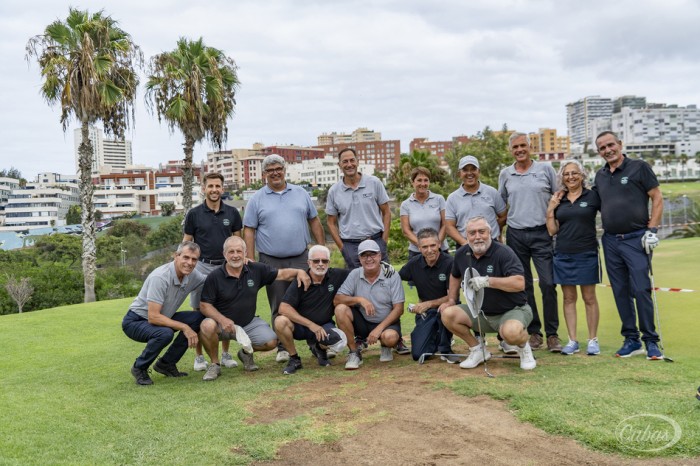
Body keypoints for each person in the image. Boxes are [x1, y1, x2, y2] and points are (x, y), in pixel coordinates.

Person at [243, 154, 325, 364]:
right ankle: (282, 346)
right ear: (264, 174)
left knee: (306, 301)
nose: (275, 173)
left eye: (278, 168)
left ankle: (314, 342)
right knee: (279, 304)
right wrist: (251, 259)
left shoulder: (300, 193)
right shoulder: (257, 198)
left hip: (300, 257)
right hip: (271, 260)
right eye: (270, 170)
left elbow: (314, 220)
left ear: (285, 169)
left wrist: (320, 248)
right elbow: (249, 230)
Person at [197, 236, 310, 381]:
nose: (235, 255)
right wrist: (222, 319)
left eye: (239, 251)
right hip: (223, 325)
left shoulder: (255, 269)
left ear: (245, 253)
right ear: (224, 254)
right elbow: (204, 305)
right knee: (206, 325)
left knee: (271, 342)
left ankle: (245, 353)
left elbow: (281, 274)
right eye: (231, 252)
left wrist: (299, 272)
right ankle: (215, 364)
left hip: (248, 322)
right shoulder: (214, 276)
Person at [593, 131, 664, 359]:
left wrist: (652, 230)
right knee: (621, 292)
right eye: (602, 148)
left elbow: (657, 197)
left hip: (636, 238)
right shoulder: (600, 176)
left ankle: (651, 340)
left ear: (620, 144)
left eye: (610, 145)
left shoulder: (639, 167)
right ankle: (631, 339)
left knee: (641, 289)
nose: (608, 150)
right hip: (611, 241)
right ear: (599, 152)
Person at [439, 216, 537, 371]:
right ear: (466, 236)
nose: (477, 237)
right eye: (472, 233)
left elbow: (519, 283)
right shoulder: (461, 253)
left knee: (511, 333)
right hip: (480, 313)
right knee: (448, 313)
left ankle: (524, 347)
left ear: (489, 232)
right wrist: (451, 299)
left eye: (481, 232)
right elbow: (455, 275)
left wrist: (488, 281)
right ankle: (478, 350)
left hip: (512, 310)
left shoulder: (504, 252)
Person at [498, 133, 561, 352]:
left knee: (548, 283)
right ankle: (535, 332)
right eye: (515, 147)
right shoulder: (505, 174)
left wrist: (555, 225)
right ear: (511, 150)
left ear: (530, 146)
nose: (519, 149)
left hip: (542, 234)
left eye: (523, 145)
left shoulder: (545, 170)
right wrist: (499, 232)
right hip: (516, 235)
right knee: (523, 286)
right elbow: (502, 206)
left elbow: (557, 197)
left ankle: (553, 334)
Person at [122, 241, 207, 385]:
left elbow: (213, 280)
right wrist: (185, 328)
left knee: (197, 317)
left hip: (163, 317)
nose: (189, 263)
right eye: (185, 257)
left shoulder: (193, 275)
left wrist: (235, 267)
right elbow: (153, 317)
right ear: (176, 256)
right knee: (165, 333)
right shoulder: (160, 277)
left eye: (194, 259)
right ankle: (139, 368)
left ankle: (166, 364)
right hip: (136, 321)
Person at [183, 172, 242, 372]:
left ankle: (225, 354)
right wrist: (183, 264)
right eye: (210, 186)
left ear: (222, 189)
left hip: (225, 267)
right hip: (201, 267)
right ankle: (199, 356)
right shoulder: (193, 214)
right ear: (203, 189)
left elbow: (237, 242)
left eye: (218, 186)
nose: (214, 190)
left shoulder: (232, 213)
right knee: (198, 311)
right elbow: (187, 242)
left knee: (224, 309)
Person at [546, 160, 601, 356]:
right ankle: (572, 341)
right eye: (567, 174)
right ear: (562, 177)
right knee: (569, 298)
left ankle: (593, 340)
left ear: (582, 175)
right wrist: (551, 208)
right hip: (563, 254)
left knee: (589, 298)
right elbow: (552, 230)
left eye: (574, 173)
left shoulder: (593, 196)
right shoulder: (559, 199)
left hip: (587, 252)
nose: (571, 177)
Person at [274, 245, 349, 375]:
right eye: (316, 261)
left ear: (328, 262)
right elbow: (283, 308)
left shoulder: (335, 275)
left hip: (324, 325)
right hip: (301, 327)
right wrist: (311, 325)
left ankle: (320, 348)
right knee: (280, 321)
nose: (320, 264)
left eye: (324, 261)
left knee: (339, 341)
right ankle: (294, 359)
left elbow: (359, 272)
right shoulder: (301, 280)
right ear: (309, 262)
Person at [334, 239, 406, 370]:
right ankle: (354, 352)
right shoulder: (355, 274)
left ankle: (386, 346)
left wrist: (379, 329)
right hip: (363, 321)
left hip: (386, 322)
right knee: (340, 309)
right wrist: (360, 299)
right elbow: (337, 300)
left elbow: (399, 309)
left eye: (372, 254)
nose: (369, 259)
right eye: (364, 255)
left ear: (379, 256)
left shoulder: (392, 275)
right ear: (359, 259)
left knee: (390, 338)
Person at [398, 228, 458, 363]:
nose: (429, 250)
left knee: (445, 310)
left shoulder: (450, 263)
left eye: (432, 245)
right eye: (425, 247)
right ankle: (435, 339)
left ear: (439, 244)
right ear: (419, 248)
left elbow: (452, 296)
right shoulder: (414, 263)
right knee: (418, 354)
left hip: (448, 308)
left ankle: (445, 349)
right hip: (426, 312)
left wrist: (427, 304)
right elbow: (395, 279)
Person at [326, 147, 391, 269]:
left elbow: (386, 212)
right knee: (356, 285)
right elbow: (330, 223)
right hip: (350, 245)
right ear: (339, 164)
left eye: (352, 160)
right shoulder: (334, 191)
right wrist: (343, 248)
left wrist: (383, 242)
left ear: (358, 161)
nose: (349, 164)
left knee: (385, 282)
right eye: (345, 161)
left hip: (376, 240)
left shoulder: (374, 183)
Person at [445, 155, 507, 246]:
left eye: (473, 169)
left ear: (479, 172)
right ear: (459, 174)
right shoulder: (452, 198)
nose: (469, 173)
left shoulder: (492, 192)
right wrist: (465, 243)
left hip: (492, 245)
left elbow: (504, 216)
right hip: (466, 245)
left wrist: (492, 229)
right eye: (465, 170)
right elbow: (449, 226)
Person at [400, 167, 448, 258]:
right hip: (416, 252)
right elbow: (406, 231)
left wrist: (436, 245)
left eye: (426, 180)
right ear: (412, 182)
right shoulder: (405, 204)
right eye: (419, 180)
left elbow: (445, 224)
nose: (423, 183)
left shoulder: (439, 199)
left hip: (440, 250)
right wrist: (423, 246)